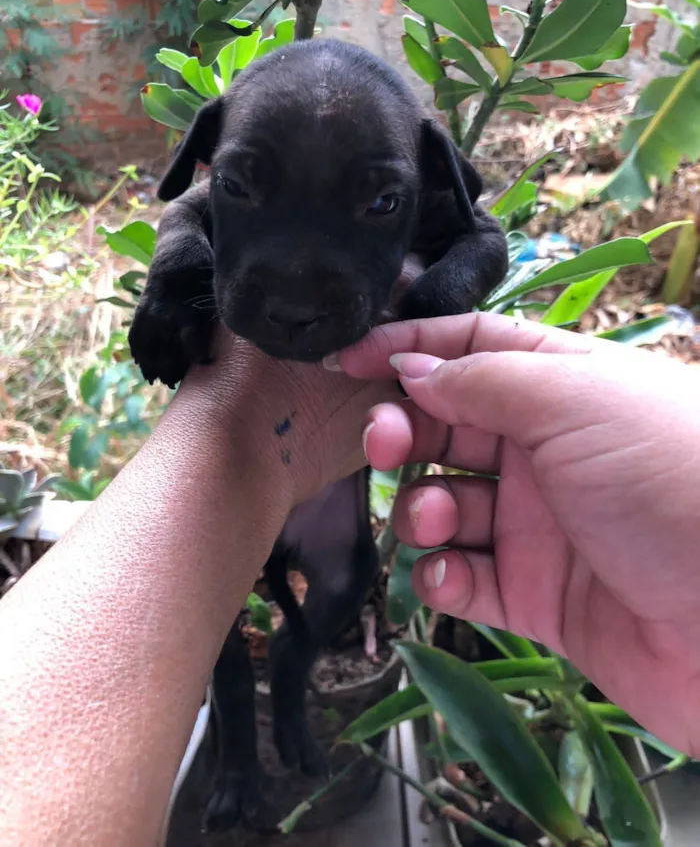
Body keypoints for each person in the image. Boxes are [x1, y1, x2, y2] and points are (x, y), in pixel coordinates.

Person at [1, 312, 699, 847]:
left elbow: (475, 241)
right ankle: (239, 765)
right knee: (226, 663)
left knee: (289, 648)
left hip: (333, 514)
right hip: (267, 498)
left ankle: (284, 728)